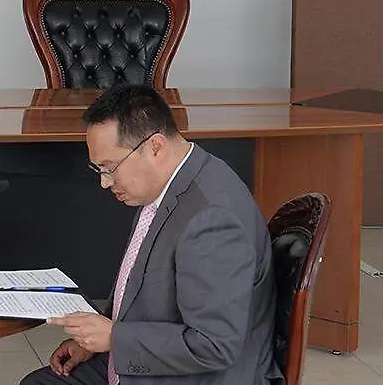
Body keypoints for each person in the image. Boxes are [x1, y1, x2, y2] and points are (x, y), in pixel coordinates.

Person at [22, 84, 282, 385]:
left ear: (155, 147)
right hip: (154, 359)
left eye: (110, 167)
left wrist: (115, 338)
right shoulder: (177, 181)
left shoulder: (212, 219)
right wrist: (96, 339)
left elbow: (215, 345)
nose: (105, 183)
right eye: (99, 169)